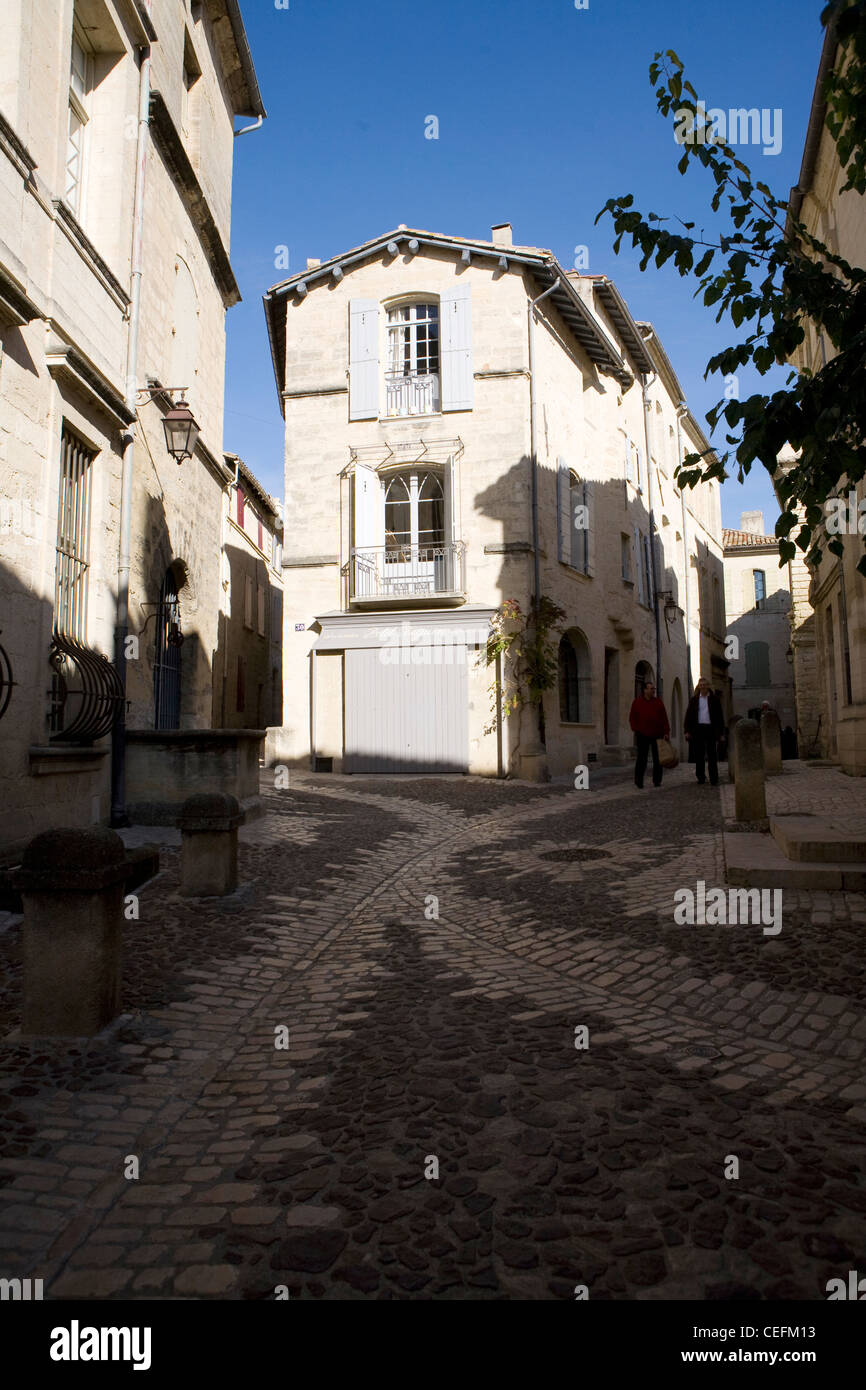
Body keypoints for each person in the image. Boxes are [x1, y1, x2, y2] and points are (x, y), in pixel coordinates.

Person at [629, 680, 670, 789]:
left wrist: (666, 732)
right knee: (642, 759)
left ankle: (657, 780)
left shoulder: (658, 702)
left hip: (657, 734)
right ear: (645, 690)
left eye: (654, 689)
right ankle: (639, 781)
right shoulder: (637, 702)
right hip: (642, 734)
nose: (653, 691)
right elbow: (632, 717)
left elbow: (664, 718)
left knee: (658, 759)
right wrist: (636, 729)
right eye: (651, 689)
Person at [684, 677, 725, 786]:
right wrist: (687, 730)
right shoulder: (694, 700)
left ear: (708, 686)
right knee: (699, 755)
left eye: (705, 685)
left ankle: (714, 778)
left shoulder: (715, 700)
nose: (703, 687)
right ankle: (701, 777)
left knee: (712, 755)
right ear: (699, 687)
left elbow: (720, 717)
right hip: (698, 729)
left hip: (710, 729)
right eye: (701, 685)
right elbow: (688, 716)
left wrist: (721, 733)